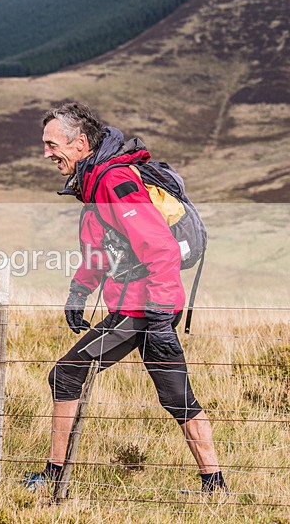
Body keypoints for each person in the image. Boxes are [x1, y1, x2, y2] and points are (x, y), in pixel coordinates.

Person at [23, 102, 226, 493]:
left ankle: (52, 476)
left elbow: (161, 248)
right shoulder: (96, 183)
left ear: (80, 143)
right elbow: (102, 246)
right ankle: (214, 485)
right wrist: (79, 291)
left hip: (142, 307)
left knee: (66, 374)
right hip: (145, 305)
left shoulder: (115, 181)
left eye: (51, 145)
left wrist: (160, 314)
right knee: (176, 396)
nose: (46, 153)